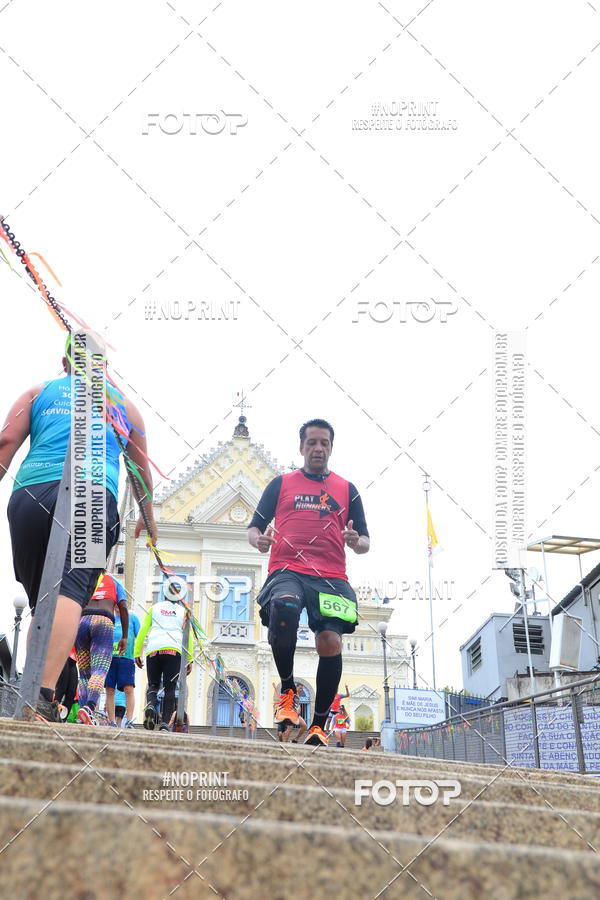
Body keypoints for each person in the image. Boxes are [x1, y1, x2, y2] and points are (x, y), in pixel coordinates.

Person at [0, 335, 157, 721]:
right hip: (88, 495)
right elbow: (140, 471)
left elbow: (5, 442)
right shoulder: (124, 408)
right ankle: (40, 697)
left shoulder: (39, 392)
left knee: (43, 597)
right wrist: (149, 522)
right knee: (69, 589)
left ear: (65, 361)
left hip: (30, 496)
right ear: (105, 366)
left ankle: (31, 689)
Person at [248, 419, 369, 746]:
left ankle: (317, 725)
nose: (318, 448)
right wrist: (258, 540)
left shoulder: (347, 489)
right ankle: (288, 690)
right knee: (284, 604)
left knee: (329, 641)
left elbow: (366, 543)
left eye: (324, 443)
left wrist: (355, 540)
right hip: (288, 568)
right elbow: (253, 528)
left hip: (331, 577)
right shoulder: (281, 484)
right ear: (302, 447)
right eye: (312, 443)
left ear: (331, 447)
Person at [134, 588, 193, 732]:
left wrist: (137, 652)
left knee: (153, 684)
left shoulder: (154, 608)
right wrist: (190, 658)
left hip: (154, 649)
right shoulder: (183, 612)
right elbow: (188, 636)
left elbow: (142, 631)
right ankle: (165, 724)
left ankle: (151, 706)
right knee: (170, 688)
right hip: (174, 650)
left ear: (164, 593)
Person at [75, 572, 129, 725]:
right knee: (99, 670)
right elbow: (123, 607)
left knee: (84, 674)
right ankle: (89, 707)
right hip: (103, 623)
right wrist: (124, 636)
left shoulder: (84, 577)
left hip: (82, 621)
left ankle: (83, 714)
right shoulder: (114, 582)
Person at [105, 601, 140, 728]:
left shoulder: (133, 618)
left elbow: (140, 637)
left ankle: (129, 720)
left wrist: (138, 654)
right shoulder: (109, 619)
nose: (117, 606)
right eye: (114, 603)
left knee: (128, 689)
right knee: (109, 689)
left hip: (126, 658)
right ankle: (112, 721)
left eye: (120, 603)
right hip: (110, 659)